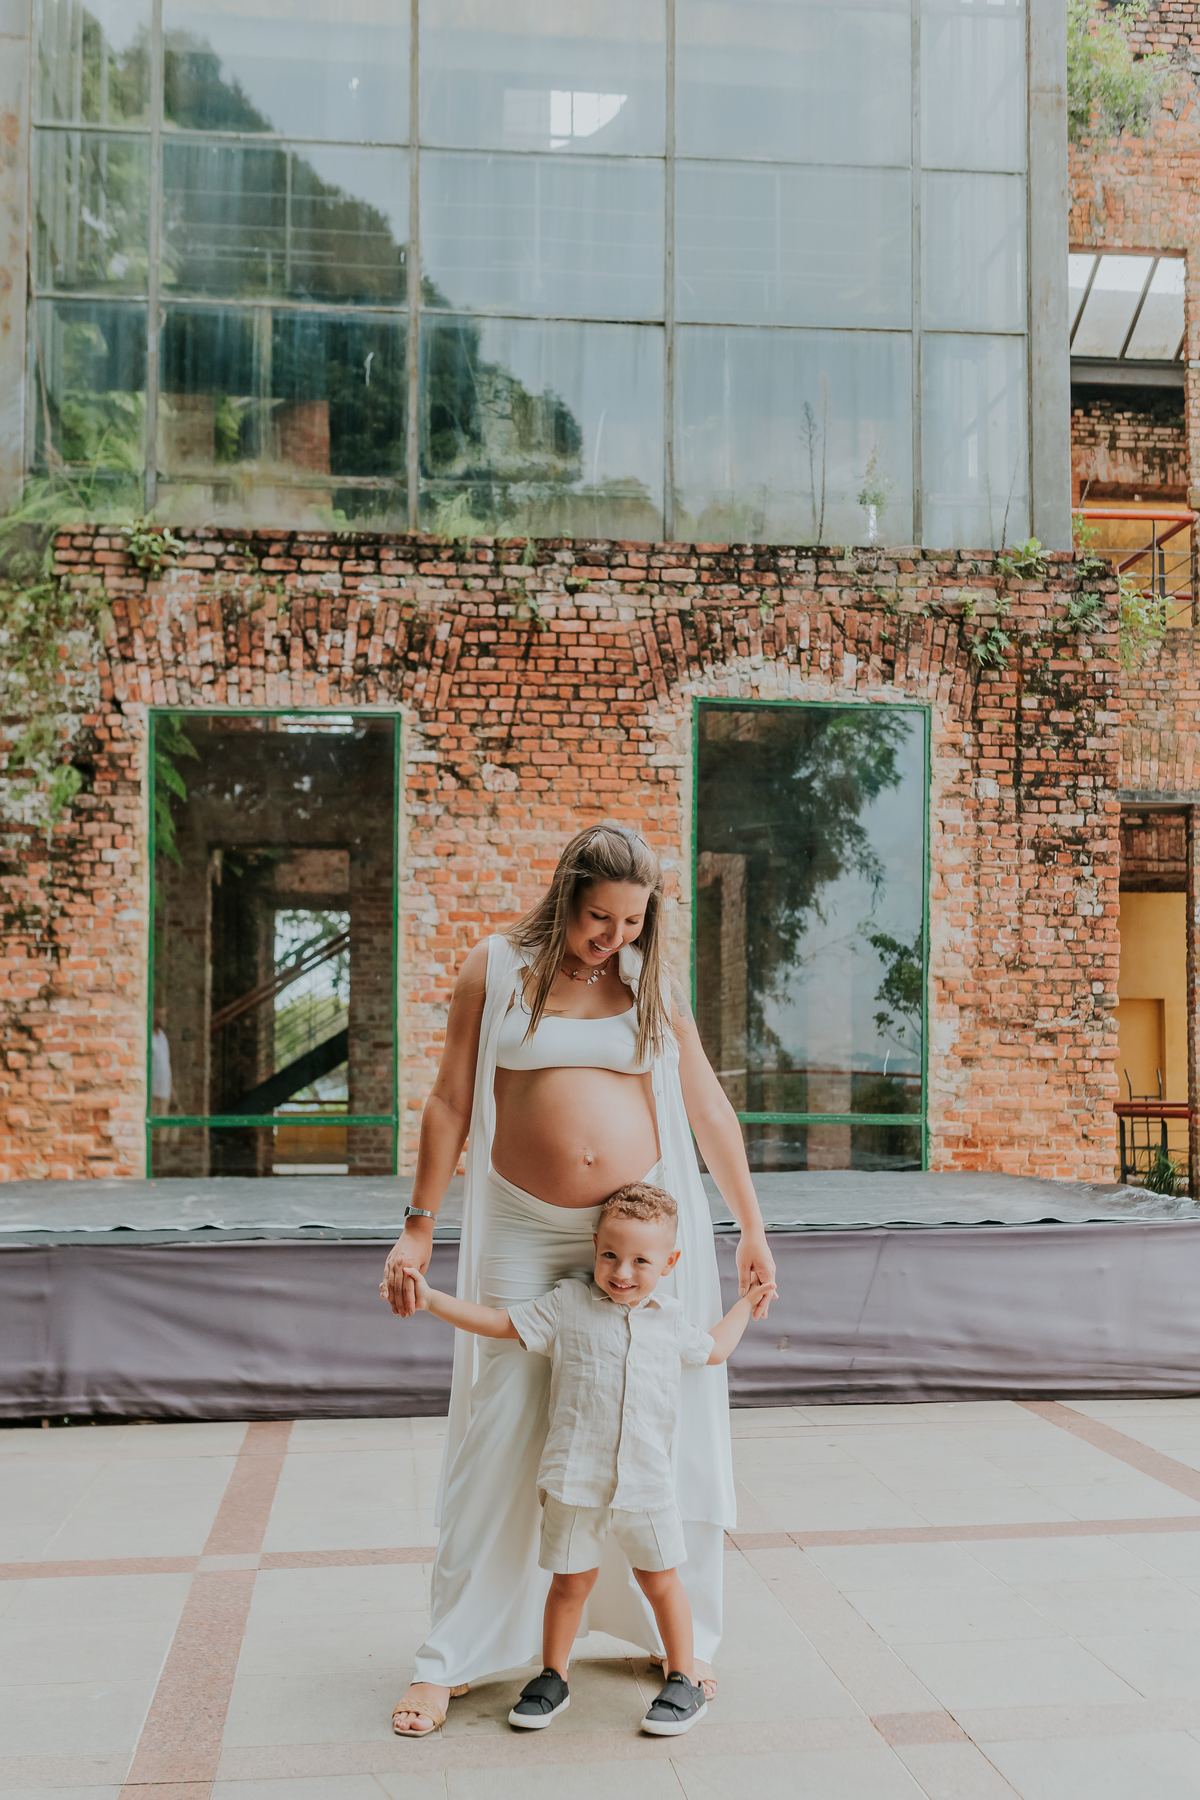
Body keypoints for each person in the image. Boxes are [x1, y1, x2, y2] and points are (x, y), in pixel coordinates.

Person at [380, 822, 776, 1737]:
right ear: (564, 896)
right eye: (600, 917)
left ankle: (670, 1641)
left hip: (636, 1234)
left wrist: (752, 1226)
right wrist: (418, 1228)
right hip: (527, 1227)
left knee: (651, 1419)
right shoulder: (495, 967)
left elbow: (706, 1103)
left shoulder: (648, 980)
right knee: (503, 1430)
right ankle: (450, 1656)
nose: (613, 937)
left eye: (632, 922)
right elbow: (447, 1099)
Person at [391, 1181, 775, 1737]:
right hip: (574, 1483)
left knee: (662, 1579)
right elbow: (501, 1324)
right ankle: (553, 1675)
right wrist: (431, 1300)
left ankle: (684, 1677)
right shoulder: (567, 1305)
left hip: (646, 1486)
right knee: (569, 1583)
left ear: (669, 1262)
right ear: (594, 1246)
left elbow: (715, 1350)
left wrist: (746, 1301)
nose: (623, 1271)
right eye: (610, 1255)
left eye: (642, 1260)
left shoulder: (669, 1321)